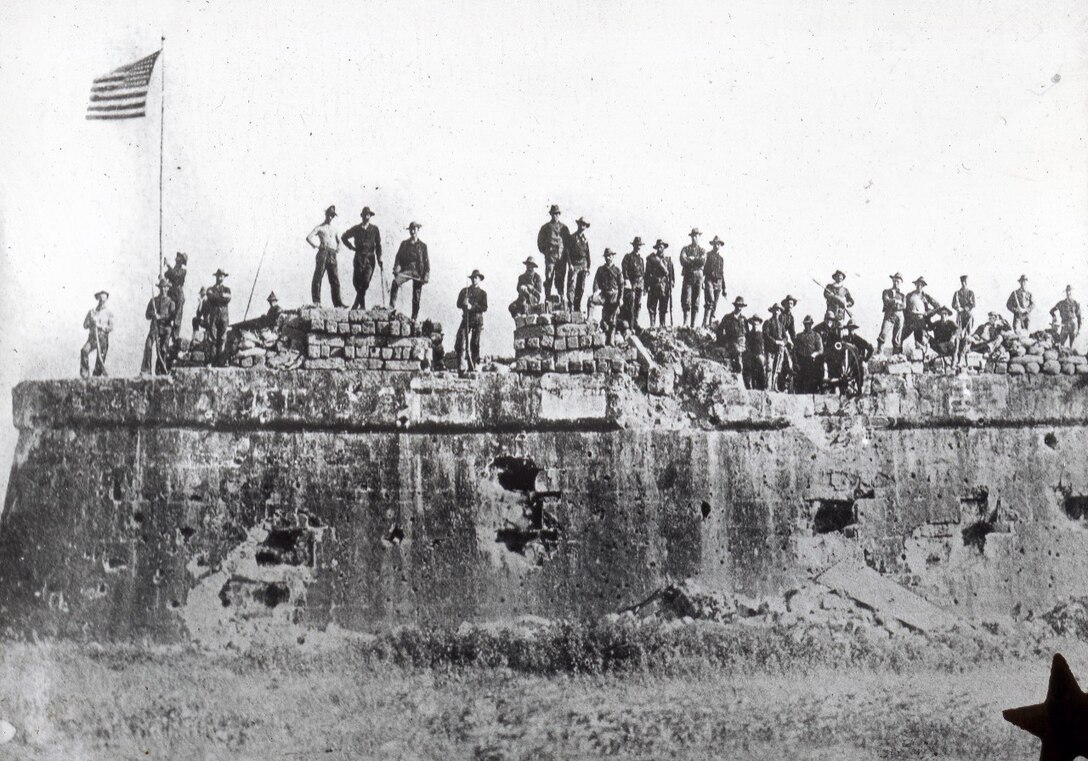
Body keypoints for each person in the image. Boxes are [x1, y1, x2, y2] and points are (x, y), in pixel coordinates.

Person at [341, 206, 383, 310]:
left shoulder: (374, 229)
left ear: (370, 216)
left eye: (368, 215)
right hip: (358, 258)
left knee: (365, 281)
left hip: (370, 258)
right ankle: (362, 305)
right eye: (364, 215)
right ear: (362, 216)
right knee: (356, 282)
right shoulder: (356, 229)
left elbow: (378, 245)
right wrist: (351, 247)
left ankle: (356, 304)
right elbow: (344, 237)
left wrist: (379, 258)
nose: (366, 217)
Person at [306, 205, 345, 307]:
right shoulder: (320, 227)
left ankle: (338, 303)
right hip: (323, 252)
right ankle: (317, 302)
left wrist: (338, 248)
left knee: (335, 278)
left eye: (332, 216)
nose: (330, 217)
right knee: (318, 277)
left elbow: (339, 241)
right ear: (326, 214)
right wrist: (315, 246)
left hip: (332, 253)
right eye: (329, 215)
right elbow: (309, 237)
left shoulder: (334, 229)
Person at [390, 222, 430, 321]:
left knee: (416, 295)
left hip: (418, 272)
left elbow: (426, 262)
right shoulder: (404, 244)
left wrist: (426, 275)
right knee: (395, 282)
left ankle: (414, 317)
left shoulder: (423, 246)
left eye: (414, 229)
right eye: (411, 229)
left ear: (418, 230)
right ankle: (391, 308)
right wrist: (397, 268)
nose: (412, 231)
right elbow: (398, 257)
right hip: (406, 270)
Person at [141, 277, 177, 375]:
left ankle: (160, 371)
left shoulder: (171, 302)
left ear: (168, 288)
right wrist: (153, 314)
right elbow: (147, 315)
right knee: (148, 345)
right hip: (154, 328)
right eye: (161, 287)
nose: (163, 289)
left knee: (163, 350)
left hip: (166, 329)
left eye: (165, 287)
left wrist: (160, 316)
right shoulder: (153, 300)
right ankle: (146, 370)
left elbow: (172, 316)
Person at [455, 269, 487, 372]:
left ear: (479, 279)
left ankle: (474, 364)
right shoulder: (465, 291)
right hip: (466, 319)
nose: (474, 280)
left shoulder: (483, 293)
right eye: (473, 278)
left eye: (476, 278)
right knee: (460, 338)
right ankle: (461, 364)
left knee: (475, 342)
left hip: (477, 320)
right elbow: (458, 304)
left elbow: (484, 307)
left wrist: (472, 307)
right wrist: (463, 303)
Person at [536, 204, 570, 301]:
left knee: (561, 278)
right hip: (550, 257)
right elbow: (540, 242)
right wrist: (546, 252)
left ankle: (561, 296)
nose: (555, 216)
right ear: (551, 214)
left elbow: (568, 243)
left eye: (557, 214)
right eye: (553, 214)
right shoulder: (546, 227)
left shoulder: (564, 228)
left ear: (559, 214)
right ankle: (547, 297)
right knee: (549, 277)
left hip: (561, 258)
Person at [80, 290, 114, 378]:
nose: (101, 302)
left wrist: (101, 326)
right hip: (93, 338)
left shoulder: (109, 313)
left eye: (103, 300)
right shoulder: (92, 312)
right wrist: (91, 321)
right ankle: (85, 374)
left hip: (103, 338)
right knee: (84, 351)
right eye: (100, 299)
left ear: (106, 300)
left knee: (100, 360)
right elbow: (85, 325)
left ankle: (96, 377)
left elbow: (110, 327)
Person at [592, 248, 623, 344]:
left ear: (613, 257)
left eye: (610, 256)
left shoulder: (617, 270)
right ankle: (590, 320)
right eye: (606, 256)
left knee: (612, 319)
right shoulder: (601, 269)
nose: (608, 258)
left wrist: (621, 298)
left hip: (614, 295)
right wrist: (595, 292)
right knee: (591, 301)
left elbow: (621, 285)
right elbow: (596, 281)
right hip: (604, 294)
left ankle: (611, 340)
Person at [904, 277, 939, 355]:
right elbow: (904, 308)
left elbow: (937, 306)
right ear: (915, 285)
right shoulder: (909, 296)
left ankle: (921, 359)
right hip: (910, 321)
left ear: (923, 286)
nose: (919, 286)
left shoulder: (926, 296)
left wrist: (928, 312)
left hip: (921, 321)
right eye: (918, 285)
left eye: (921, 285)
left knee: (920, 341)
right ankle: (897, 355)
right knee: (900, 337)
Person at [679, 228, 705, 329]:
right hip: (688, 276)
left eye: (696, 236)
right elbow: (683, 260)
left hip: (698, 276)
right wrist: (695, 261)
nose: (695, 238)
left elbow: (702, 261)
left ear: (699, 237)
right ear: (691, 237)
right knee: (686, 299)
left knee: (696, 300)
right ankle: (686, 323)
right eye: (693, 236)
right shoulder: (685, 249)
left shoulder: (702, 250)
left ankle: (693, 325)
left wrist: (692, 259)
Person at [205, 268, 232, 366]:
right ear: (216, 277)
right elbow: (210, 297)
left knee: (223, 337)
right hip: (214, 314)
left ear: (224, 277)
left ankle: (221, 360)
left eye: (222, 276)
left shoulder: (227, 289)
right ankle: (212, 361)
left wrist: (217, 297)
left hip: (224, 315)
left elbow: (228, 298)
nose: (220, 277)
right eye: (219, 275)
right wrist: (221, 297)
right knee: (212, 337)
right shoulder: (210, 289)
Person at [644, 240, 674, 328]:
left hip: (664, 286)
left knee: (663, 307)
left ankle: (662, 324)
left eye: (662, 246)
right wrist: (646, 286)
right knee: (652, 306)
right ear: (656, 248)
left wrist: (672, 283)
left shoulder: (668, 260)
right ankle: (652, 325)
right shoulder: (651, 259)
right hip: (654, 285)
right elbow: (647, 273)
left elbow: (672, 273)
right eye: (659, 246)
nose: (660, 248)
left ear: (664, 247)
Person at [565, 217, 592, 311]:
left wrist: (588, 267)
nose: (582, 226)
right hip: (574, 264)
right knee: (571, 285)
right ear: (578, 225)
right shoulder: (572, 237)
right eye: (581, 224)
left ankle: (577, 306)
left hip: (583, 264)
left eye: (584, 225)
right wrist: (570, 265)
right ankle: (570, 305)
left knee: (581, 287)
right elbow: (567, 252)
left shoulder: (585, 239)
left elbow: (588, 254)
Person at [876, 273, 906, 355]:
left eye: (898, 282)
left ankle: (896, 357)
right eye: (895, 281)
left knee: (897, 338)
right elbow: (886, 301)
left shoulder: (902, 295)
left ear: (901, 283)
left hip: (899, 316)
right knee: (883, 334)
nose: (896, 283)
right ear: (892, 281)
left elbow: (904, 305)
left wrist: (896, 305)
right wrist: (896, 301)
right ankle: (879, 354)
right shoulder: (886, 292)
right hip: (889, 316)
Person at [794, 316, 825, 394]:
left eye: (809, 324)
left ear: (811, 324)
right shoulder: (799, 336)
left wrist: (814, 354)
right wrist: (795, 361)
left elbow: (820, 350)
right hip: (801, 361)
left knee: (812, 381)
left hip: (812, 362)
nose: (807, 326)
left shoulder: (816, 336)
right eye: (805, 324)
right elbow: (795, 350)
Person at [621, 237, 646, 332]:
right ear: (634, 246)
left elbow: (643, 273)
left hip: (640, 284)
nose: (638, 247)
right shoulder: (628, 257)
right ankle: (630, 326)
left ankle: (635, 323)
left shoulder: (641, 259)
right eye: (637, 245)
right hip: (631, 284)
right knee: (630, 304)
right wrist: (627, 280)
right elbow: (624, 269)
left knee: (638, 304)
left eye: (640, 245)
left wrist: (643, 285)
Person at [763, 303, 790, 391]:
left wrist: (783, 342)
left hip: (779, 350)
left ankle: (775, 386)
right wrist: (775, 342)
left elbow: (786, 337)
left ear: (780, 312)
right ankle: (768, 386)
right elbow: (766, 335)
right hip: (770, 349)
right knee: (769, 368)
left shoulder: (781, 325)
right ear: (772, 311)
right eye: (775, 310)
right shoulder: (768, 322)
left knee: (777, 369)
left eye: (779, 310)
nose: (777, 312)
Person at [716, 297, 747, 372]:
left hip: (742, 343)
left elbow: (747, 333)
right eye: (738, 305)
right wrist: (722, 341)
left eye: (741, 306)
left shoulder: (744, 319)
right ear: (735, 305)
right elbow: (719, 330)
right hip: (730, 342)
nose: (739, 307)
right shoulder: (728, 317)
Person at [163, 251, 188, 339]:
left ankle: (175, 336)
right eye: (177, 258)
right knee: (168, 313)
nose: (177, 260)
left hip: (178, 294)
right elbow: (166, 275)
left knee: (178, 317)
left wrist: (168, 265)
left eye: (180, 259)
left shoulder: (183, 271)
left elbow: (175, 275)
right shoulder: (173, 269)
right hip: (171, 293)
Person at [702, 235, 725, 328]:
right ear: (713, 245)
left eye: (718, 244)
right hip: (709, 280)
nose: (717, 246)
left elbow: (722, 273)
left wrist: (724, 288)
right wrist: (702, 281)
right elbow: (704, 269)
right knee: (710, 301)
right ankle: (705, 322)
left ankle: (710, 324)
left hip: (718, 283)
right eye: (715, 244)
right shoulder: (708, 255)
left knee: (714, 304)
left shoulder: (721, 259)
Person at [843, 321, 873, 387]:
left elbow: (871, 348)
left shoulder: (859, 340)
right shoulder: (845, 339)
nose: (850, 330)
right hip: (848, 364)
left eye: (852, 329)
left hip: (858, 363)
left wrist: (865, 359)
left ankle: (859, 390)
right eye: (849, 329)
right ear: (847, 329)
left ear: (854, 329)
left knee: (859, 380)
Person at [743, 315, 767, 390]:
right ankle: (750, 387)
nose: (755, 322)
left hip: (760, 355)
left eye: (757, 321)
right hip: (751, 355)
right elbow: (746, 344)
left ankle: (762, 388)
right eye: (754, 321)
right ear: (751, 322)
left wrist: (763, 355)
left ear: (759, 323)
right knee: (750, 371)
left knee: (761, 371)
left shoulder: (761, 334)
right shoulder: (749, 334)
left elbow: (764, 345)